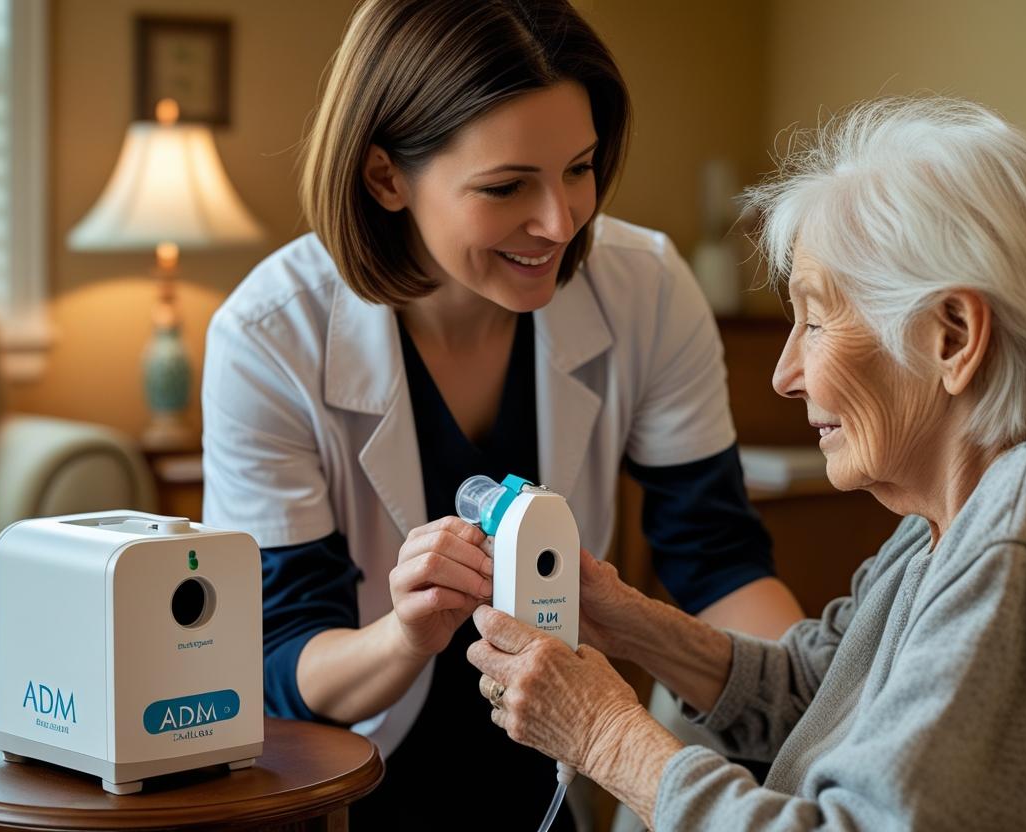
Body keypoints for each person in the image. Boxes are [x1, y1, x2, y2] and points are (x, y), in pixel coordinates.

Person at [465, 97, 1026, 830]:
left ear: (952, 337)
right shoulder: (971, 505)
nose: (786, 372)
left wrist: (608, 736)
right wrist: (623, 617)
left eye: (815, 323)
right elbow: (820, 691)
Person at [200, 0, 803, 827]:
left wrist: (830, 715)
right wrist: (406, 633)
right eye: (507, 185)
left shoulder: (646, 288)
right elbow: (280, 663)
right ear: (385, 177)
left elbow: (719, 560)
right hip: (352, 788)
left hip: (552, 782)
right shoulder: (269, 336)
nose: (559, 221)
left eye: (580, 169)